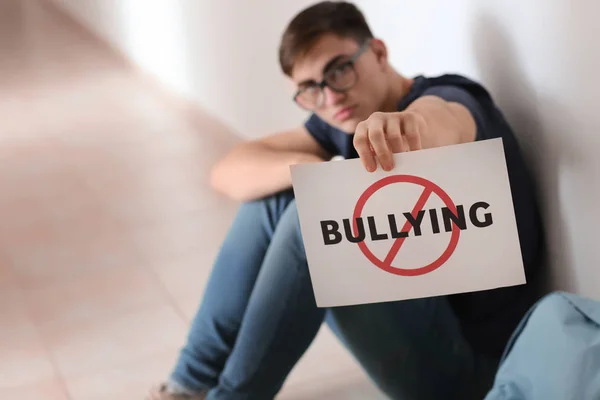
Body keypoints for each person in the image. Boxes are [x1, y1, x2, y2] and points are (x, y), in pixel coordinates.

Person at [149, 1, 544, 399]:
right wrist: (309, 170)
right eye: (310, 89)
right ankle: (187, 386)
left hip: (477, 371)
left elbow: (445, 120)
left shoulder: (450, 96)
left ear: (378, 53)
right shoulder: (341, 122)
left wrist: (411, 128)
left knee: (314, 217)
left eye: (339, 70)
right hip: (422, 332)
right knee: (277, 198)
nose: (330, 97)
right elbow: (228, 171)